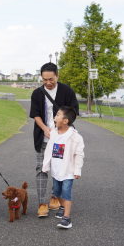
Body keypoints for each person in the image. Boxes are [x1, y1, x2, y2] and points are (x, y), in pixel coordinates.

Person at [29, 62, 80, 217]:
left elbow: (74, 113)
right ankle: (42, 203)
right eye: (45, 79)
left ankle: (54, 197)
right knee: (41, 169)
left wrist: (61, 130)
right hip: (43, 138)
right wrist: (45, 128)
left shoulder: (67, 91)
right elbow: (36, 114)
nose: (48, 82)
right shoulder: (37, 93)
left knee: (58, 168)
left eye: (51, 79)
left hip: (61, 140)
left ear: (57, 76)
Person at [42, 106, 85, 229]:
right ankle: (62, 206)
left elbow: (79, 155)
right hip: (56, 171)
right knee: (56, 192)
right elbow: (48, 150)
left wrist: (77, 171)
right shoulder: (53, 133)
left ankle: (66, 218)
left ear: (65, 121)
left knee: (66, 192)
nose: (55, 117)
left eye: (57, 115)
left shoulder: (75, 137)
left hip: (68, 171)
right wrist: (46, 166)